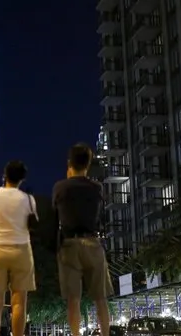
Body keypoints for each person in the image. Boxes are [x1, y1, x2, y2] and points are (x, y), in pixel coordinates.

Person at [52, 143, 113, 336]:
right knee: (100, 297)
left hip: (69, 245)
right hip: (92, 243)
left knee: (73, 299)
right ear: (88, 164)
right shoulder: (96, 188)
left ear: (69, 163)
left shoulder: (60, 187)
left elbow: (55, 215)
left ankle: (76, 334)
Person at [0, 161, 36, 336]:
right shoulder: (28, 199)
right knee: (19, 302)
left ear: (4, 175)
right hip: (21, 249)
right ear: (22, 178)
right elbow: (32, 224)